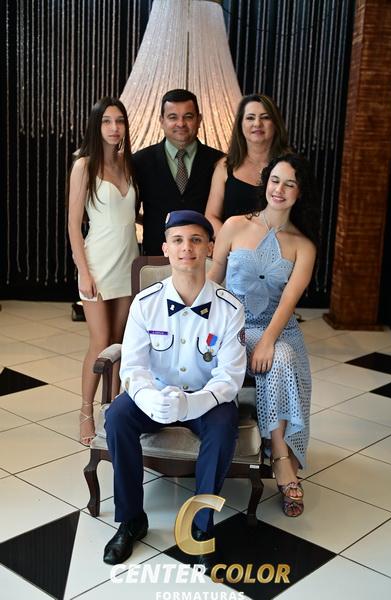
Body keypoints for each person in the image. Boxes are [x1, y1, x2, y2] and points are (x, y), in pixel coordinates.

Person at [103, 210, 246, 567]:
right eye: (178, 241)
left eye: (196, 240)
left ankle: (201, 526)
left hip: (205, 398)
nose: (187, 248)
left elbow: (229, 378)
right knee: (118, 416)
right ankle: (131, 519)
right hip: (156, 394)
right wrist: (149, 397)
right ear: (165, 248)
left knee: (224, 425)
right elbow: (133, 367)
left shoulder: (229, 309)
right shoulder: (145, 303)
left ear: (210, 248)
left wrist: (191, 405)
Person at [208, 154, 319, 517]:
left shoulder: (304, 246)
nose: (279, 189)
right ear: (265, 183)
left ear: (299, 192)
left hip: (278, 330)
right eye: (275, 180)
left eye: (290, 184)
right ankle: (281, 459)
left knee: (282, 356)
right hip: (234, 327)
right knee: (277, 356)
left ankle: (280, 454)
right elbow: (213, 280)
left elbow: (288, 301)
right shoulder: (234, 226)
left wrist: (269, 340)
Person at [68, 97, 139, 446]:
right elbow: (73, 224)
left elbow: (128, 216)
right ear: (96, 127)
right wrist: (83, 271)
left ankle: (111, 411)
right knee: (99, 342)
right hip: (97, 263)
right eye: (107, 121)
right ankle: (85, 412)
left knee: (119, 343)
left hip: (129, 263)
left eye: (119, 121)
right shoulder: (84, 165)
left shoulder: (128, 165)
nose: (114, 128)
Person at [132, 89, 224, 255]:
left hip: (207, 259)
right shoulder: (140, 161)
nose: (181, 123)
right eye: (173, 117)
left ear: (199, 120)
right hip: (156, 256)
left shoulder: (219, 162)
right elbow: (130, 210)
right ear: (161, 121)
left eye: (188, 117)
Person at [205, 94, 290, 236]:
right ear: (240, 124)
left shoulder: (290, 167)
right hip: (229, 247)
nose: (257, 123)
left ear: (275, 124)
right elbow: (211, 217)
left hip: (277, 246)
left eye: (265, 117)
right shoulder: (225, 166)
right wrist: (233, 244)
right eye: (250, 118)